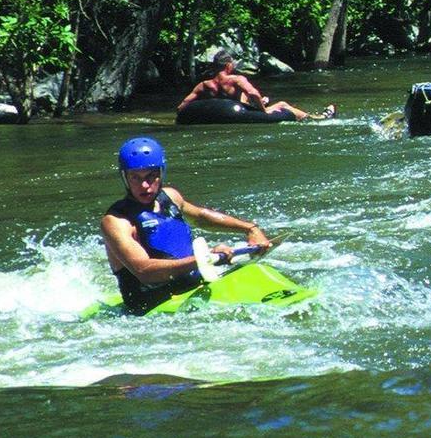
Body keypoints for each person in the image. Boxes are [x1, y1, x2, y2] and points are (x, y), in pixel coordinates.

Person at [101, 137, 273, 314]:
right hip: (150, 305)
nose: (144, 186)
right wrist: (205, 258)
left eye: (151, 176)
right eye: (135, 177)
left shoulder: (170, 196)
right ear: (125, 178)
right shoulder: (116, 221)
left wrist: (250, 229)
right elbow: (145, 271)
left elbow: (201, 217)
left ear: (161, 173)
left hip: (192, 286)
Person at [177, 49, 334, 121]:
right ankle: (318, 118)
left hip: (224, 114)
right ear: (228, 66)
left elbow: (181, 107)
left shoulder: (204, 85)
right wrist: (263, 109)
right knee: (283, 104)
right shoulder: (236, 80)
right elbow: (254, 94)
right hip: (239, 115)